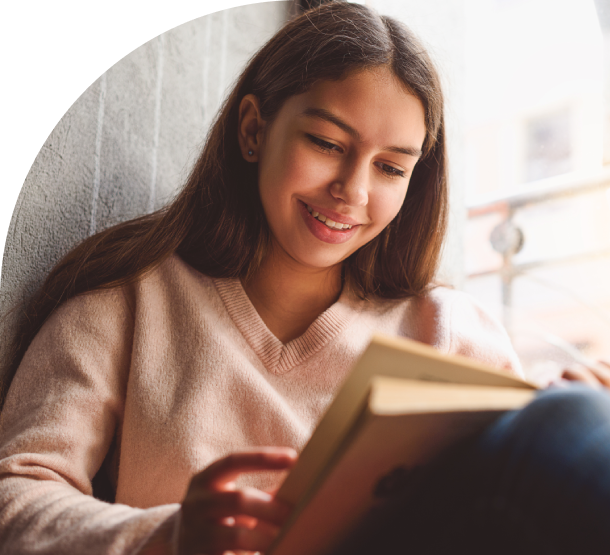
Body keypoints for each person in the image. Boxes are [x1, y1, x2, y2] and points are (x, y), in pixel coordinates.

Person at [0, 2, 608, 555]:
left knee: (573, 417)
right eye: (325, 142)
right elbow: (17, 495)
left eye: (392, 168)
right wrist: (168, 536)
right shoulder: (128, 299)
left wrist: (556, 410)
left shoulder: (445, 327)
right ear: (254, 130)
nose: (353, 191)